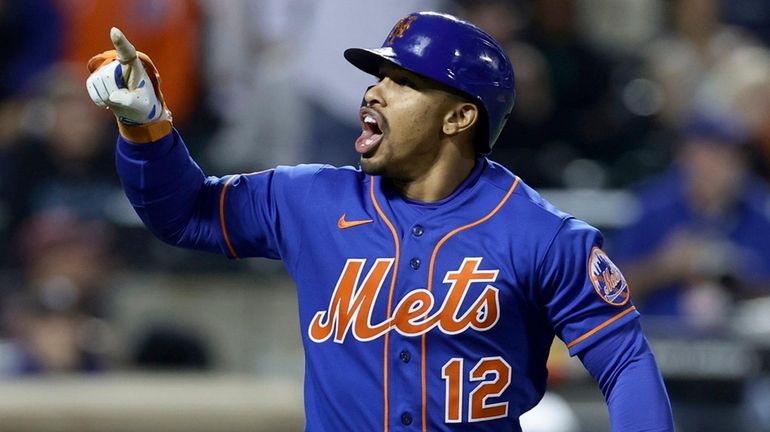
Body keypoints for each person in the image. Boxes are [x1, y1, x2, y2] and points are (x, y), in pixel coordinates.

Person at [85, 12, 673, 431]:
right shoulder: (309, 200)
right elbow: (183, 214)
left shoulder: (542, 236)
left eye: (403, 82)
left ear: (459, 117)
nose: (374, 91)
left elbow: (624, 362)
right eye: (378, 76)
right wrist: (146, 126)